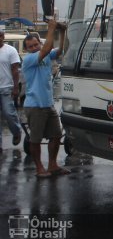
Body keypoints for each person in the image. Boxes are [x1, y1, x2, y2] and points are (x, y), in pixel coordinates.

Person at [22, 20, 69, 177]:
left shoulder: (47, 56)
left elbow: (62, 49)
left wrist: (62, 32)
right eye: (31, 46)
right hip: (35, 105)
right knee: (35, 140)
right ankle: (39, 168)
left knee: (56, 136)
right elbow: (48, 47)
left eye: (36, 45)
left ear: (39, 44)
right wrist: (51, 28)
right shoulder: (29, 60)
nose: (34, 48)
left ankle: (53, 165)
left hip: (48, 104)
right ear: (26, 49)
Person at [0, 27, 22, 153]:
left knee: (9, 113)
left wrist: (15, 87)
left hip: (6, 88)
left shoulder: (10, 50)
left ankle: (16, 131)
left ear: (2, 36)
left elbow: (15, 70)